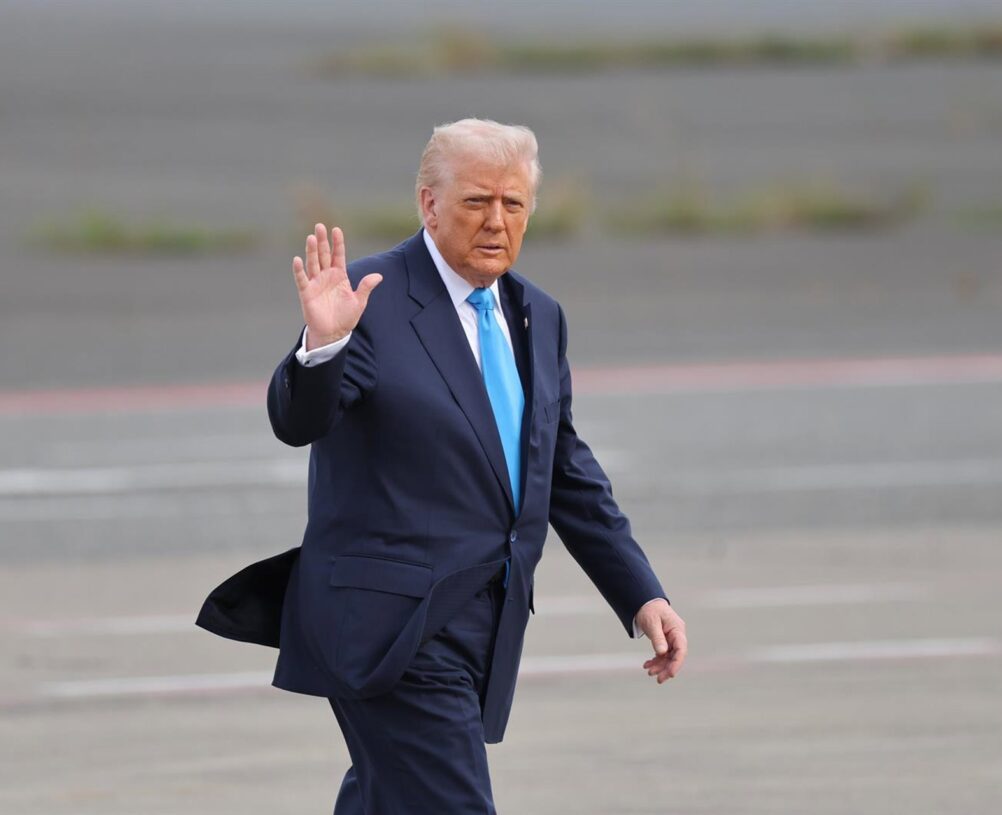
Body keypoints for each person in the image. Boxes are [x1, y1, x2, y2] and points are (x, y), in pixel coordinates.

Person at [197, 118, 687, 814]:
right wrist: (320, 348)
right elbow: (297, 421)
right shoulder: (370, 295)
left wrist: (642, 592)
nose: (496, 221)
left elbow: (565, 468)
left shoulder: (537, 316)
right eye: (475, 202)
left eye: (513, 204)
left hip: (482, 622)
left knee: (385, 796)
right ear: (429, 203)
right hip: (391, 623)